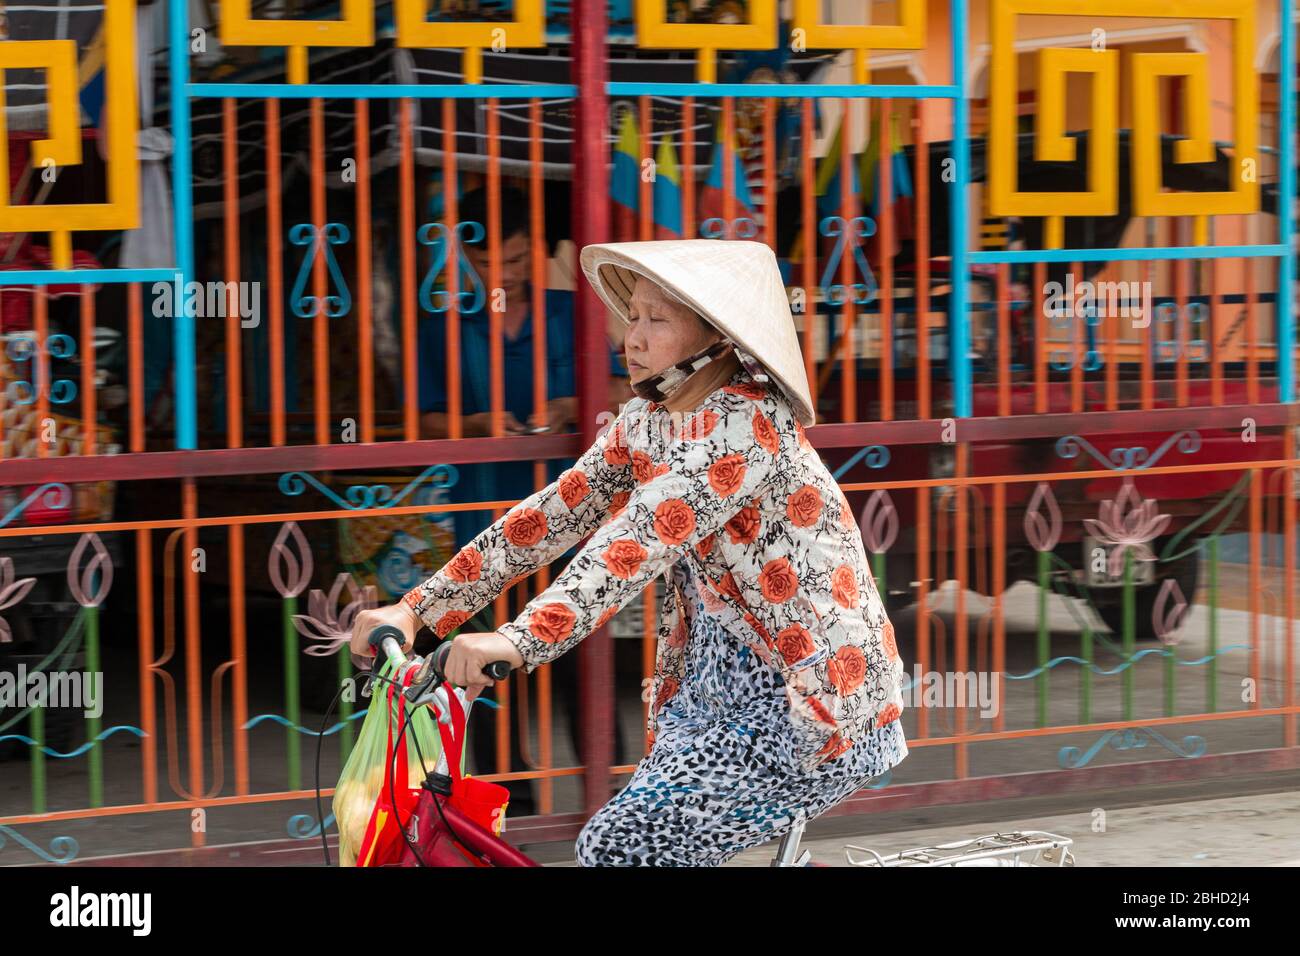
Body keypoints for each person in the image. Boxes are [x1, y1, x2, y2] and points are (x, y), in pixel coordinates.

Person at [353, 238, 909, 866]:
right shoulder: (648, 419)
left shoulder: (743, 427)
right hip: (710, 691)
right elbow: (551, 516)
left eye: (657, 320)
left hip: (809, 701)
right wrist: (420, 610)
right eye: (633, 316)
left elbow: (634, 543)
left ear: (718, 342)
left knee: (618, 847)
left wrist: (516, 640)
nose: (632, 338)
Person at [416, 184, 632, 815]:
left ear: (536, 253)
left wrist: (572, 406)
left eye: (514, 262)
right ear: (466, 257)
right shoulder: (444, 326)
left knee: (578, 658)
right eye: (488, 264)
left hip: (568, 518)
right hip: (479, 521)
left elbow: (624, 388)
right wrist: (476, 424)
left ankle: (613, 794)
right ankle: (515, 805)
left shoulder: (573, 313)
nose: (501, 275)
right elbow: (422, 418)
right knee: (481, 663)